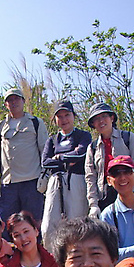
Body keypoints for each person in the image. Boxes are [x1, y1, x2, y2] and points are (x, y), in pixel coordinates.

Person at [0, 88, 48, 231]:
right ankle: (10, 253)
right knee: (7, 226)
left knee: (34, 226)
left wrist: (45, 177)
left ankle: (34, 253)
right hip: (9, 185)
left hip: (32, 183)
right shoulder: (0, 127)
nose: (13, 102)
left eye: (16, 99)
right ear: (6, 104)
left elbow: (45, 152)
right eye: (9, 100)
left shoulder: (36, 123)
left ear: (23, 101)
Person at [40, 100, 91, 252]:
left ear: (73, 116)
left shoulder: (83, 135)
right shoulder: (52, 140)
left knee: (77, 224)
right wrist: (68, 159)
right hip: (55, 182)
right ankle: (52, 262)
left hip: (77, 181)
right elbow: (45, 162)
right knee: (48, 226)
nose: (64, 120)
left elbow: (81, 153)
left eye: (67, 115)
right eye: (59, 116)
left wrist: (59, 158)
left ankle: (79, 259)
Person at [84, 102, 134, 217]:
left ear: (112, 118)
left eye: (104, 116)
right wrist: (93, 204)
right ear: (93, 124)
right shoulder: (92, 147)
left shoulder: (128, 138)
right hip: (104, 195)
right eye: (96, 119)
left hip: (129, 191)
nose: (101, 121)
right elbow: (90, 177)